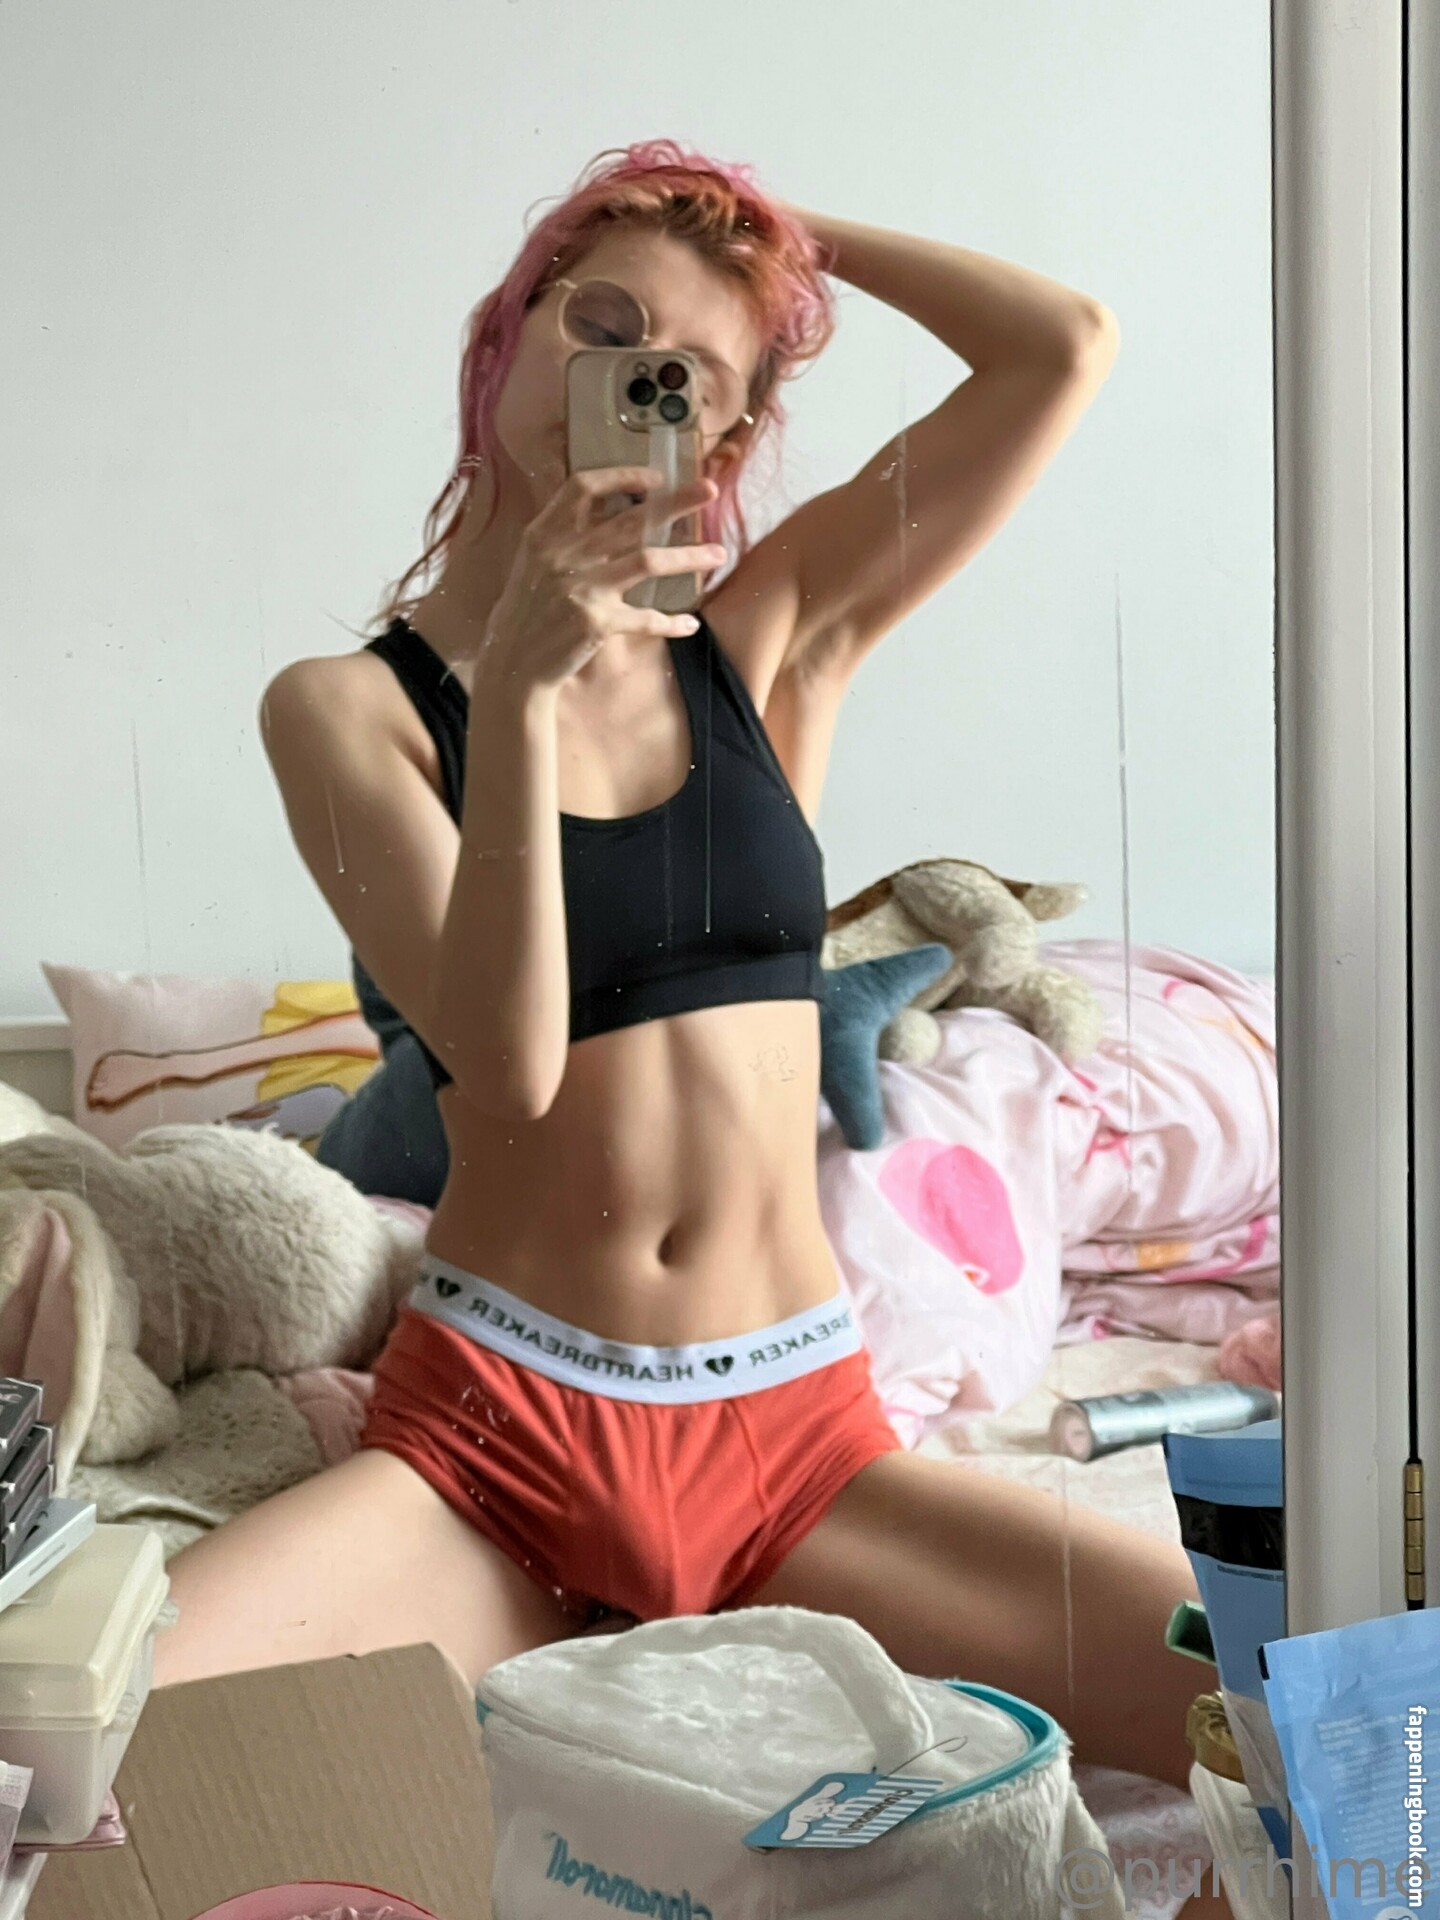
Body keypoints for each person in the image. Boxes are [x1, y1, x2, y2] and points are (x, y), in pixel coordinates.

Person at [154, 140, 1208, 1803]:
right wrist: (519, 693)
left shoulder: (768, 646)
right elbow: (509, 1066)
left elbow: (1059, 347)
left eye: (689, 374)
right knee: (71, 1761)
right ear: (504, 336)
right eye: (597, 323)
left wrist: (781, 237)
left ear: (719, 440)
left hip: (797, 1442)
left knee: (1307, 1711)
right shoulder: (346, 711)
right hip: (501, 1439)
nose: (632, 372)